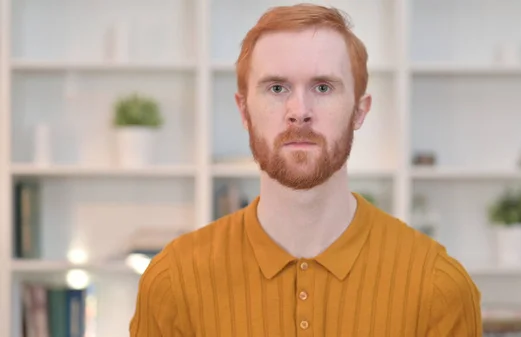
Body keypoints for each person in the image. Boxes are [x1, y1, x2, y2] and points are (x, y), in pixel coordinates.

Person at [129, 3, 482, 336]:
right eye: (277, 88)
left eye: (323, 87)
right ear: (243, 111)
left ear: (360, 110)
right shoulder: (173, 281)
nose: (299, 111)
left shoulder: (439, 286)